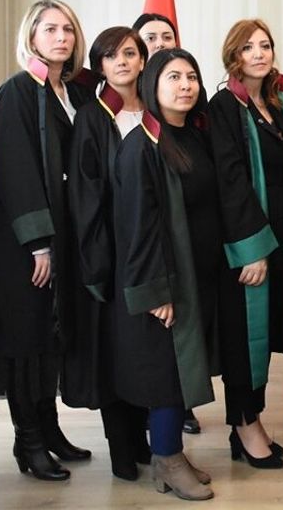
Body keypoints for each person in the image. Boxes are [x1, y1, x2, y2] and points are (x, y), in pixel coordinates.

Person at [0, 0, 92, 481]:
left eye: (67, 29)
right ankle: (27, 441)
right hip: (28, 244)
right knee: (28, 340)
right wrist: (38, 243)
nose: (61, 37)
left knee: (51, 339)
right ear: (31, 36)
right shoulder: (17, 93)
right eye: (49, 29)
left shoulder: (72, 92)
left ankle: (49, 430)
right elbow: (15, 171)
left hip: (63, 235)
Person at [110, 48, 216, 501]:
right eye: (173, 77)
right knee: (166, 375)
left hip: (193, 276)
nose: (185, 85)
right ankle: (167, 459)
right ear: (152, 84)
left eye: (191, 76)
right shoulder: (141, 146)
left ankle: (171, 455)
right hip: (162, 282)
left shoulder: (191, 135)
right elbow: (137, 225)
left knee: (181, 370)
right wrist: (156, 291)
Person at [208, 19, 283, 470]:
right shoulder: (224, 107)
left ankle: (250, 422)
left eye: (265, 45)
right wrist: (253, 249)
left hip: (281, 238)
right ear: (234, 55)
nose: (259, 54)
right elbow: (229, 181)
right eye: (249, 47)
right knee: (243, 340)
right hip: (248, 245)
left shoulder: (276, 104)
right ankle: (245, 425)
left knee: (261, 340)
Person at [66, 27, 153, 481]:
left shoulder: (156, 110)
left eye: (130, 53)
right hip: (111, 254)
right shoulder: (93, 117)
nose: (122, 62)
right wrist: (97, 260)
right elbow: (85, 194)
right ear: (99, 65)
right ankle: (122, 446)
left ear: (143, 60)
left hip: (152, 251)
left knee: (144, 352)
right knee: (114, 353)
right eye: (111, 55)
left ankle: (142, 441)